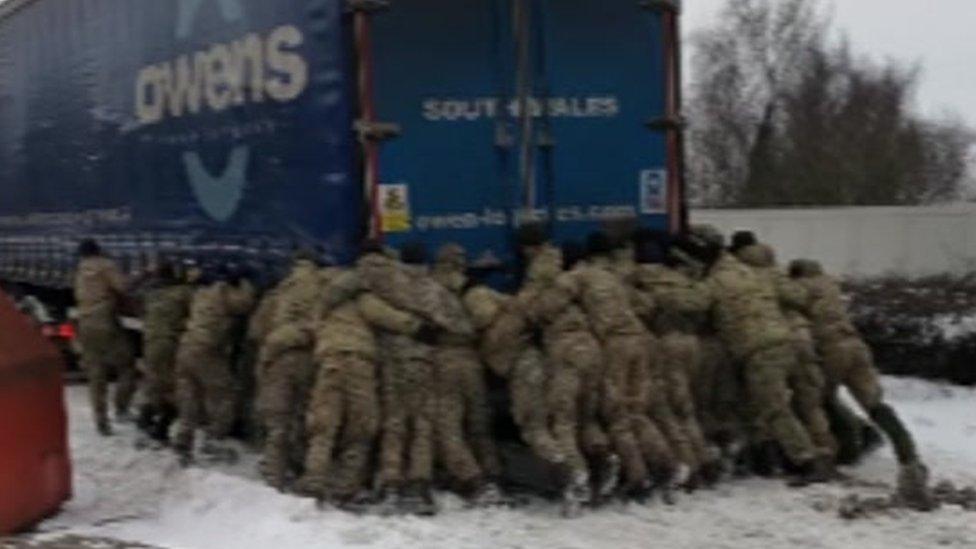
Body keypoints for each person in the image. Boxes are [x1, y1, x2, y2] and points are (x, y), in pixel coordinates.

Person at [790, 258, 934, 509]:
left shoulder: (799, 288)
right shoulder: (829, 284)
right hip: (856, 346)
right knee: (875, 405)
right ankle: (910, 460)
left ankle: (831, 454)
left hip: (829, 349)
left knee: (816, 401)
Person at [693, 233, 831, 486]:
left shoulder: (715, 282)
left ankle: (807, 460)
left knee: (773, 408)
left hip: (759, 349)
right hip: (783, 340)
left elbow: (692, 304)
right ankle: (773, 457)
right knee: (773, 405)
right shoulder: (753, 273)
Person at [731, 233, 836, 467]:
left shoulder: (744, 275)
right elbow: (800, 297)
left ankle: (786, 456)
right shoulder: (776, 270)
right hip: (800, 339)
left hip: (768, 341)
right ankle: (827, 450)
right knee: (809, 402)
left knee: (769, 404)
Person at [430, 243, 504, 505]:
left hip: (444, 361)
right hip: (471, 361)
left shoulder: (430, 289)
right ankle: (493, 475)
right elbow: (488, 315)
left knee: (447, 426)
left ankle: (472, 479)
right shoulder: (472, 289)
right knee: (478, 424)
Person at [172, 264, 256, 465]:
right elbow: (245, 303)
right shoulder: (221, 293)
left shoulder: (200, 294)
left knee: (190, 397)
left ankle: (183, 439)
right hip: (206, 352)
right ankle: (214, 440)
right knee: (224, 394)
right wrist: (245, 282)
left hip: (186, 349)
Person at [256, 250, 322, 489]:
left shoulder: (280, 291)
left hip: (279, 358)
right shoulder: (323, 287)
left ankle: (274, 474)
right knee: (306, 416)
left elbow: (258, 329)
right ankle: (301, 466)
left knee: (278, 420)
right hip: (308, 358)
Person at [73, 239, 136, 436]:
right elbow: (123, 286)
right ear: (98, 250)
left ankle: (101, 422)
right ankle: (121, 408)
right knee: (126, 365)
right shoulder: (105, 265)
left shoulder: (80, 269)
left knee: (96, 374)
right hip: (105, 321)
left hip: (85, 322)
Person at [138, 260, 194, 443]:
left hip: (150, 341)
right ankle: (161, 428)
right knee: (174, 388)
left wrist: (144, 275)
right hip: (169, 344)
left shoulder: (150, 293)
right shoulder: (182, 293)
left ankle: (145, 418)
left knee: (154, 382)